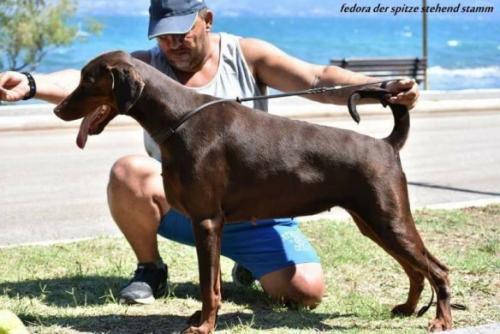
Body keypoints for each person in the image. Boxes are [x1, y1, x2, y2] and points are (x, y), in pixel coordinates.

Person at [0, 0, 419, 308]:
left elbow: (317, 77)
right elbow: (83, 80)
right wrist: (31, 83)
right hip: (189, 209)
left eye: (183, 31)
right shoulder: (145, 69)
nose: (173, 43)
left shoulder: (245, 53)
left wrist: (382, 89)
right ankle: (150, 269)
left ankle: (248, 263)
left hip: (261, 207)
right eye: (163, 34)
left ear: (207, 19)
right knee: (129, 170)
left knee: (304, 293)